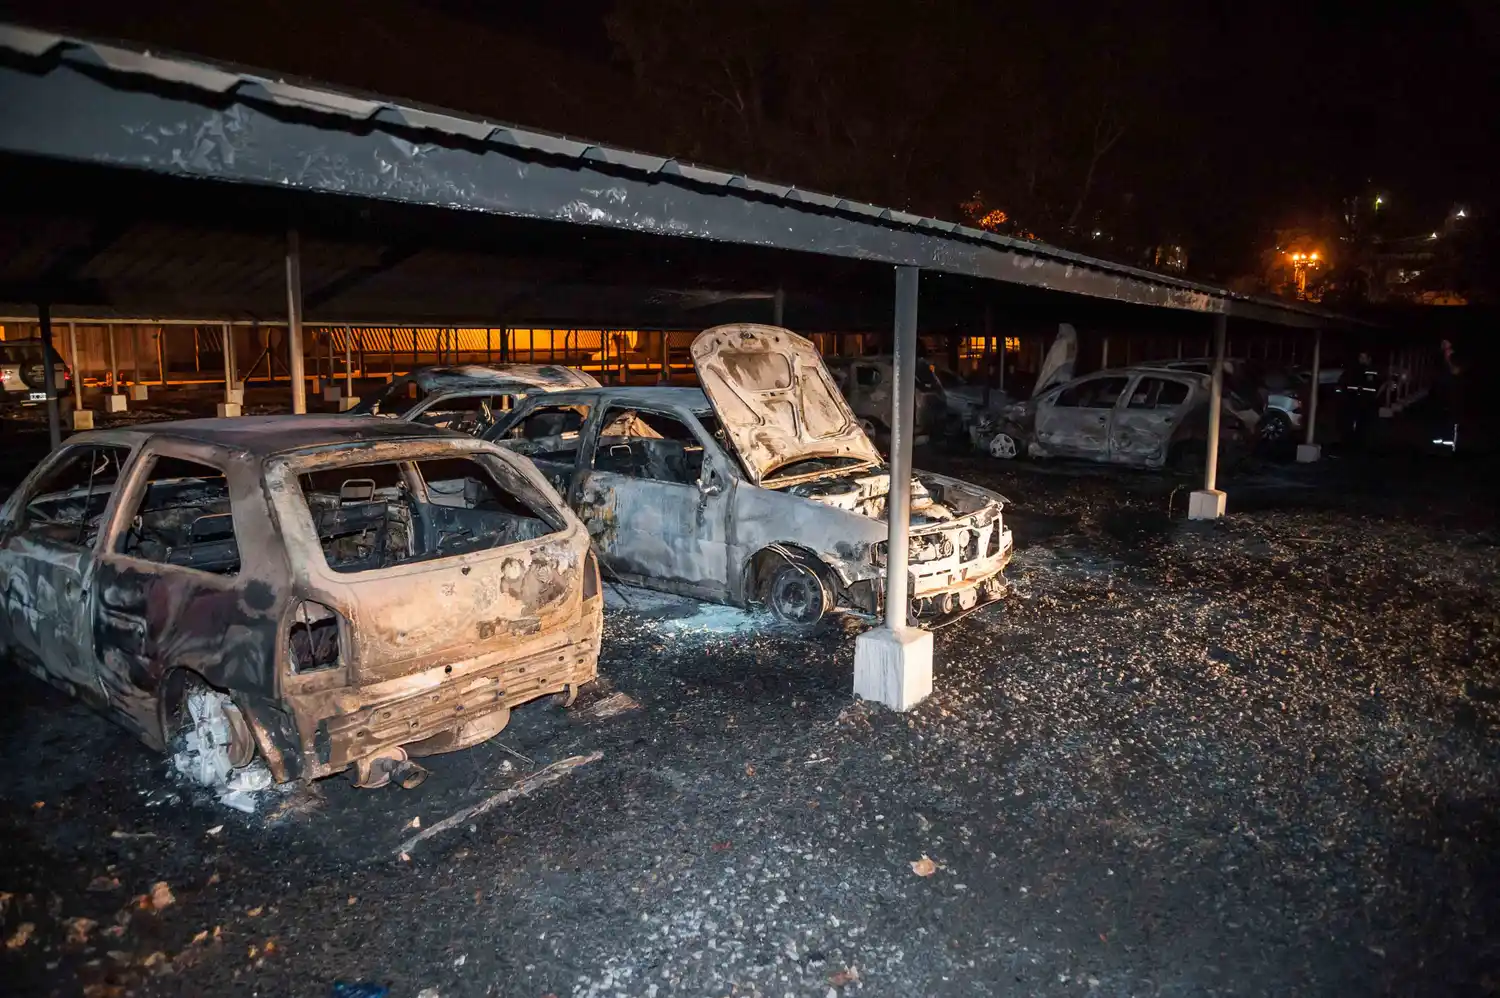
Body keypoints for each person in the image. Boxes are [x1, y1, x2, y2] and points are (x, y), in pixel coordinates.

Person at [1337, 350, 1382, 449]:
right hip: (1353, 400)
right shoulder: (1352, 370)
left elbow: (1379, 385)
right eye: (1360, 357)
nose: (1362, 360)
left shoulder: (1374, 371)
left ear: (1369, 359)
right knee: (1350, 422)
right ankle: (1350, 443)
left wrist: (1375, 396)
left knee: (1366, 424)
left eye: (1364, 358)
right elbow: (1343, 382)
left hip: (1368, 401)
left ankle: (1364, 444)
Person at [1432, 339, 1462, 451]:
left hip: (1452, 393)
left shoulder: (1456, 357)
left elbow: (1456, 371)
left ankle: (1449, 445)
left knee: (1450, 418)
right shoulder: (1438, 358)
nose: (1444, 345)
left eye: (1446, 342)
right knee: (1438, 417)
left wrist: (1448, 359)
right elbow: (1434, 372)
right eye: (1443, 343)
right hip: (1439, 392)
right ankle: (1437, 445)